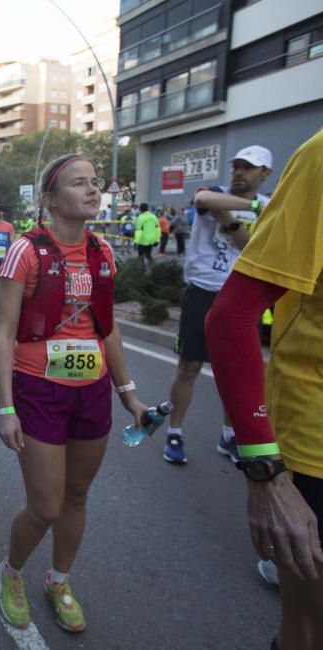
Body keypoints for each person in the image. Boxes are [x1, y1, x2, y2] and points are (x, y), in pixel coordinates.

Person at [0, 154, 148, 633]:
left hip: (92, 391)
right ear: (50, 197)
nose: (92, 190)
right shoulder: (26, 251)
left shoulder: (102, 251)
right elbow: (3, 333)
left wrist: (128, 392)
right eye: (79, 183)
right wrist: (6, 408)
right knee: (45, 505)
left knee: (77, 495)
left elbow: (108, 329)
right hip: (39, 388)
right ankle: (12, 571)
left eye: (95, 183)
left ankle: (59, 581)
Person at [206, 130, 323, 650]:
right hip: (315, 443)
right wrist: (266, 471)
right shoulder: (316, 161)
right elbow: (231, 316)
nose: (240, 173)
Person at [162, 145, 272, 465]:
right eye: (236, 166)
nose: (239, 172)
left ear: (264, 173)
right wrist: (249, 207)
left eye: (248, 167)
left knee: (235, 373)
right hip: (202, 291)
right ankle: (175, 433)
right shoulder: (220, 194)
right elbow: (203, 201)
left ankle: (229, 435)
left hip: (239, 297)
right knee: (189, 367)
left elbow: (251, 247)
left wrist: (230, 219)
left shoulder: (269, 207)